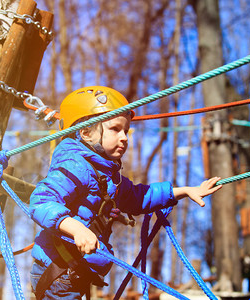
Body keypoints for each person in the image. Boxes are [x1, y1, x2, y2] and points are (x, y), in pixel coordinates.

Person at [29, 86, 222, 299]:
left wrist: (183, 191)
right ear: (85, 132)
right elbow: (41, 201)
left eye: (126, 130)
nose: (124, 137)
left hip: (74, 271)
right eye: (115, 129)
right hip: (58, 271)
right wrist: (77, 229)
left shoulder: (109, 175)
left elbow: (139, 198)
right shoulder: (75, 164)